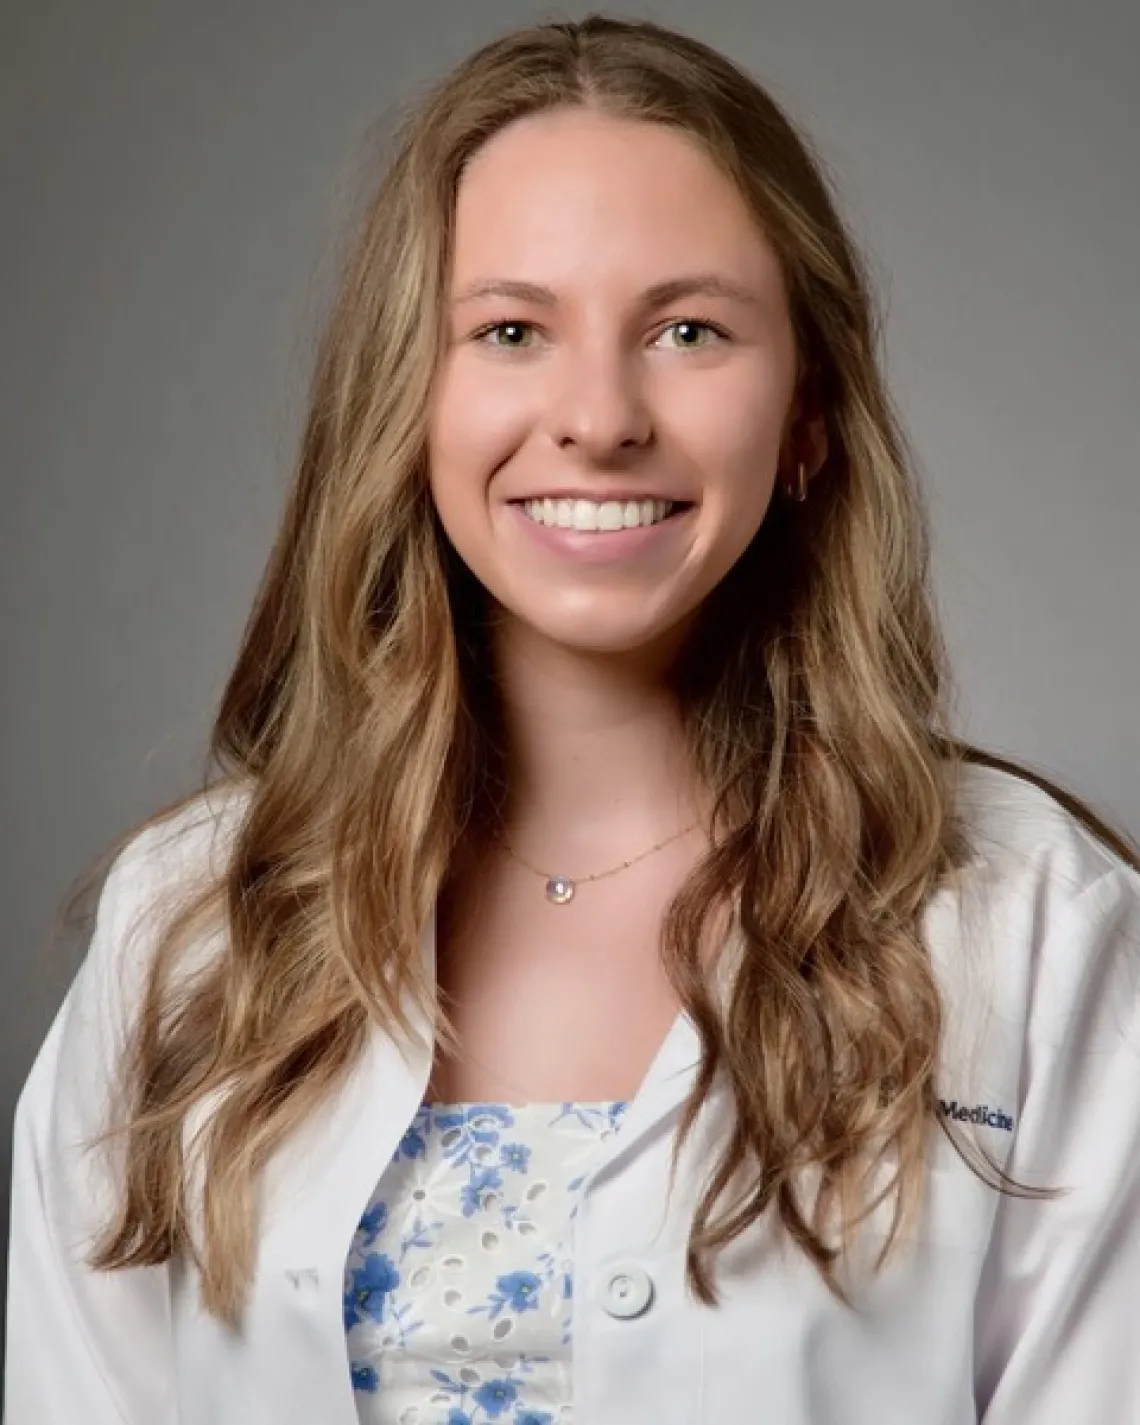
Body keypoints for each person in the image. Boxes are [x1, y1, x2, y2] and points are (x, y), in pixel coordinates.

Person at [5, 13, 1140, 1424]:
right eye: (511, 330)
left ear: (808, 416)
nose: (598, 416)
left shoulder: (1036, 926)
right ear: (407, 401)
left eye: (687, 330)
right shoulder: (190, 930)